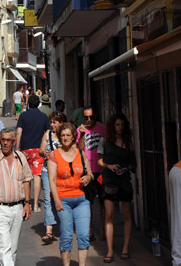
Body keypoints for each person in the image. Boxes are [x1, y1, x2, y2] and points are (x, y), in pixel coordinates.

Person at [0, 128, 32, 266]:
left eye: (9, 140)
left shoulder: (21, 158)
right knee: (4, 247)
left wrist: (27, 203)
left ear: (14, 142)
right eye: (3, 139)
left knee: (12, 248)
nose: (5, 143)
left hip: (17, 209)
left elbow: (26, 180)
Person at [48, 122, 93, 266]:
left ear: (74, 137)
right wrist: (56, 200)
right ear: (59, 138)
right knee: (67, 236)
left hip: (81, 200)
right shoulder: (54, 155)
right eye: (62, 135)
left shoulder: (81, 154)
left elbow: (91, 173)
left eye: (68, 135)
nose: (65, 138)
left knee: (84, 236)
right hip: (63, 200)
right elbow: (52, 180)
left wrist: (88, 177)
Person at [97, 113, 136, 263]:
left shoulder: (128, 142)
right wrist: (109, 166)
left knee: (127, 214)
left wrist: (126, 168)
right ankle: (110, 250)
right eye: (117, 125)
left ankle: (125, 248)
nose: (120, 128)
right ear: (112, 126)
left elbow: (134, 164)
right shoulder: (105, 141)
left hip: (124, 181)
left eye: (122, 125)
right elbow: (100, 161)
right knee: (109, 215)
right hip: (109, 180)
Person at [16, 93, 50, 212]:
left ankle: (27, 203)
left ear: (29, 104)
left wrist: (17, 148)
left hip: (25, 148)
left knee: (26, 177)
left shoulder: (23, 116)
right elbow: (48, 133)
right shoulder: (44, 116)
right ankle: (35, 205)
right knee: (36, 176)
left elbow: (19, 132)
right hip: (38, 149)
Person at [77, 106, 105, 240]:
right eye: (86, 117)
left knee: (103, 202)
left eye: (91, 117)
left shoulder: (102, 128)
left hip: (101, 170)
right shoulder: (79, 130)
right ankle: (90, 230)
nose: (89, 120)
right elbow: (80, 149)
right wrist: (82, 134)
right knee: (88, 202)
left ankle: (104, 230)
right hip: (87, 171)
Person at [38, 112, 65, 244]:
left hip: (62, 172)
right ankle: (49, 232)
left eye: (55, 122)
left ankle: (64, 227)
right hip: (46, 170)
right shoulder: (47, 134)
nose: (52, 124)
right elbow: (40, 150)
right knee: (48, 199)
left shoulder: (65, 135)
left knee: (61, 199)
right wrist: (44, 152)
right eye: (51, 122)